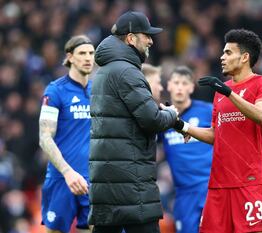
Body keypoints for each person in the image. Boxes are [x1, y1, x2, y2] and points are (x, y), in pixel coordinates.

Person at [174, 29, 262, 233]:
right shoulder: (220, 93)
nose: (222, 57)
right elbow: (215, 135)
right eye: (222, 52)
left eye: (228, 52)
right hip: (218, 185)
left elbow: (261, 115)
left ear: (245, 57)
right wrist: (182, 126)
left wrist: (229, 93)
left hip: (248, 183)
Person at [88, 11, 179, 233]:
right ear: (130, 38)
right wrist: (172, 114)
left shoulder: (103, 71)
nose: (150, 40)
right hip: (130, 181)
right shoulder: (127, 71)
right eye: (146, 35)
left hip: (106, 180)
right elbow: (152, 120)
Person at [38, 35, 95, 233]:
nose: (88, 58)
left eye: (91, 53)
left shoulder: (99, 91)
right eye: (82, 53)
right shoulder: (55, 90)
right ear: (70, 57)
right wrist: (67, 172)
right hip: (62, 178)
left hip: (92, 180)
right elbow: (44, 138)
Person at [160, 66, 213, 233]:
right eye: (176, 83)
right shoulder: (161, 117)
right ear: (169, 86)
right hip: (184, 194)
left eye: (184, 83)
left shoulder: (208, 111)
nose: (180, 87)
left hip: (210, 189)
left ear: (191, 87)